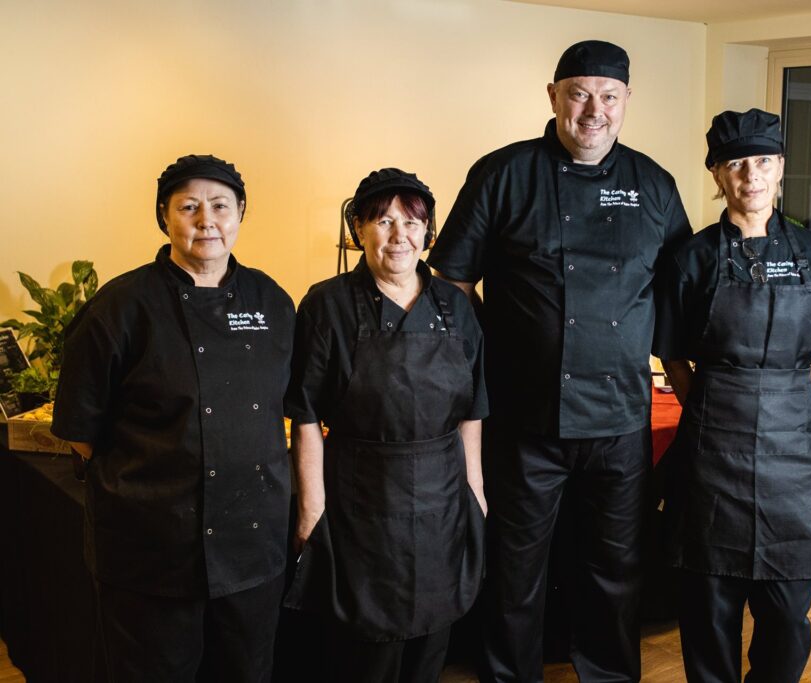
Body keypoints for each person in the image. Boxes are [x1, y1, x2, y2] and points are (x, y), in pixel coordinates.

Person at [427, 39, 692, 682]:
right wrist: (496, 348)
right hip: (524, 417)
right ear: (553, 97)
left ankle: (609, 675)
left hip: (620, 419)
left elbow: (677, 290)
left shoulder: (654, 184)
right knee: (515, 568)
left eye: (608, 96)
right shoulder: (503, 173)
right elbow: (453, 280)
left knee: (615, 568)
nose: (593, 110)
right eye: (579, 94)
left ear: (627, 101)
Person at [51, 154, 295, 682]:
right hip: (151, 551)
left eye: (220, 206)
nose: (206, 220)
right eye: (189, 207)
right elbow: (80, 430)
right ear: (164, 217)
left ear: (240, 213)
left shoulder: (272, 301)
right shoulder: (120, 306)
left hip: (251, 544)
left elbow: (287, 407)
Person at [653, 108, 811, 683]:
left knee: (787, 617)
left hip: (796, 460)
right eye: (736, 164)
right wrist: (713, 404)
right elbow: (673, 355)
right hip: (713, 455)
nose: (751, 175)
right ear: (716, 173)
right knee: (708, 613)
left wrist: (787, 408)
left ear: (781, 166)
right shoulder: (690, 258)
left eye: (762, 161)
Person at [284, 168, 487, 682]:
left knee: (430, 646)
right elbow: (305, 415)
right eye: (383, 221)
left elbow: (472, 410)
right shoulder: (326, 304)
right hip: (362, 504)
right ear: (358, 229)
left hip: (443, 502)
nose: (400, 236)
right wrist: (310, 509)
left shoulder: (456, 306)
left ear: (428, 232)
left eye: (411, 222)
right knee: (365, 655)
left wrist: (476, 492)